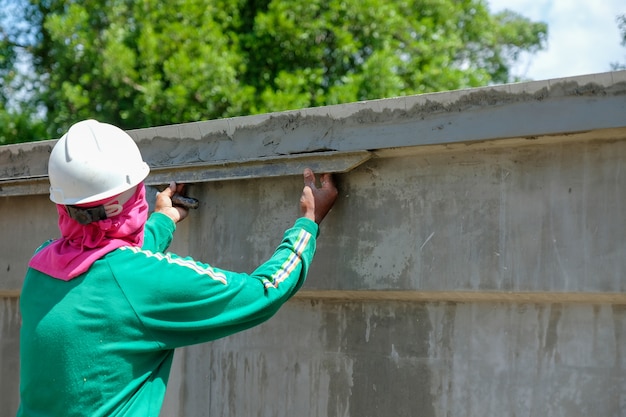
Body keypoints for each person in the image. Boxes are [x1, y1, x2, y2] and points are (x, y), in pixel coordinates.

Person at [17, 119, 338, 417]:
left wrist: (163, 220)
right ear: (131, 197)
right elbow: (263, 291)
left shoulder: (41, 266)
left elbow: (110, 269)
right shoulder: (138, 283)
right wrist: (307, 224)